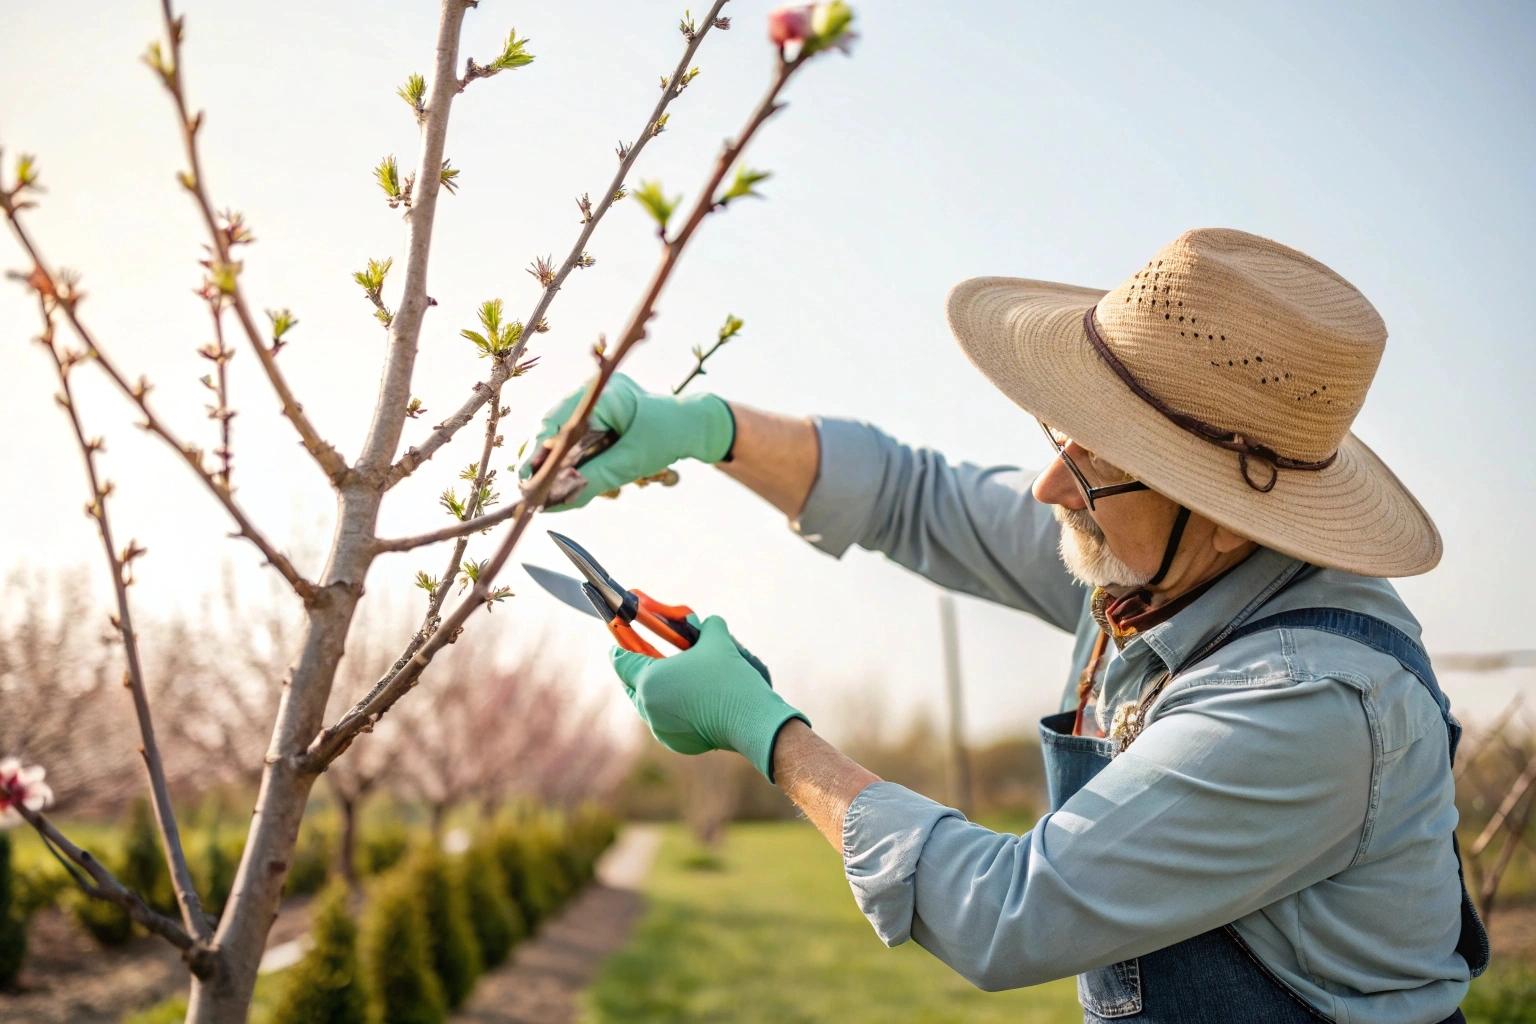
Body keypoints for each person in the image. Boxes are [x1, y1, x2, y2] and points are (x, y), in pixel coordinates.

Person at [527, 228, 1488, 1023]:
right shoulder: (1151, 555)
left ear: (1229, 505)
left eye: (1103, 456)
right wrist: (702, 426)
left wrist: (766, 732)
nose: (1049, 485)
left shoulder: (1307, 702)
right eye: (1060, 433)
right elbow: (914, 497)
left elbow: (1008, 912)